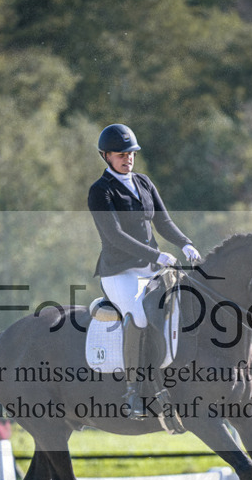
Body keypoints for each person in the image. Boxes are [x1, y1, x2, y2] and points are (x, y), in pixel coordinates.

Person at [87, 123, 202, 418]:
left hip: (150, 269)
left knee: (183, 304)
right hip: (119, 273)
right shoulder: (100, 191)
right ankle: (134, 391)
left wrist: (185, 244)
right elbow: (114, 236)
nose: (128, 159)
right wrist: (157, 254)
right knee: (139, 314)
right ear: (106, 156)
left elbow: (163, 222)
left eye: (131, 154)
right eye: (121, 154)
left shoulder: (144, 183)